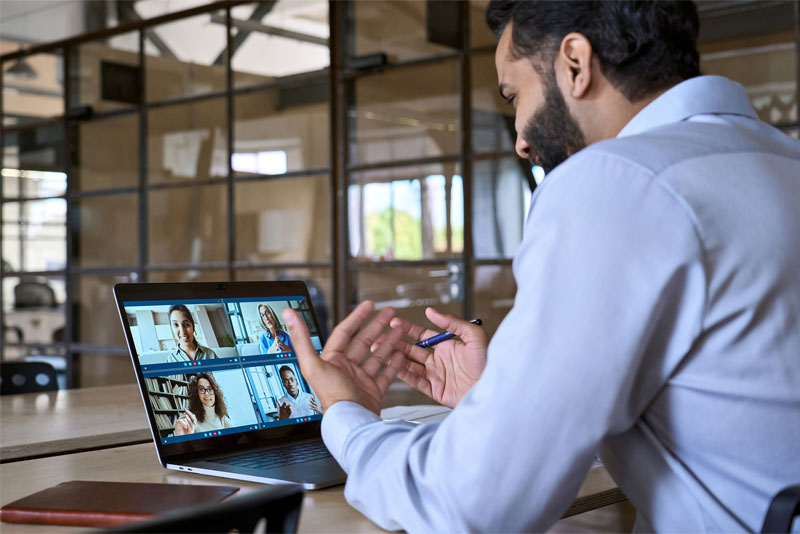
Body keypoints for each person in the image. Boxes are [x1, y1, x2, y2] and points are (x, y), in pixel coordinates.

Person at [278, 1, 800, 532]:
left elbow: (469, 505)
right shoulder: (781, 159)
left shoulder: (614, 181)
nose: (522, 140)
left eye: (515, 96)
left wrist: (345, 414)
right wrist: (506, 395)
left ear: (576, 63)